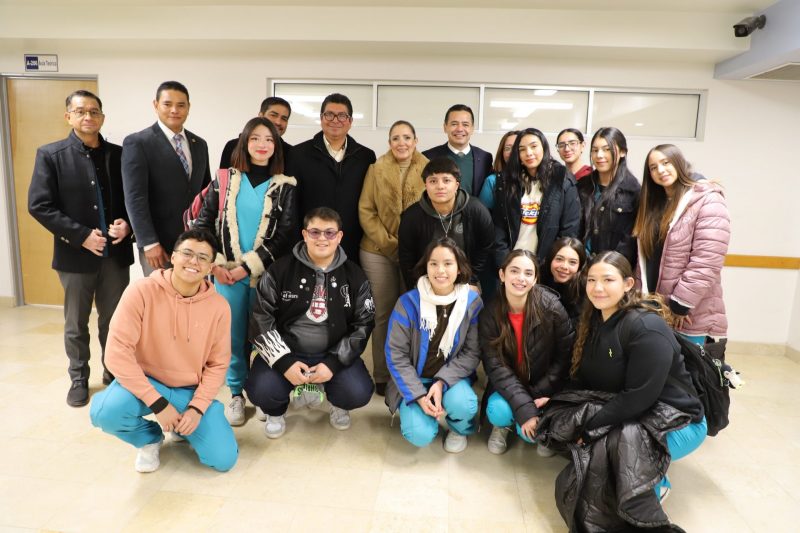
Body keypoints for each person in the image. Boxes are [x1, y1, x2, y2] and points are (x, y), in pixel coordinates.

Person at [89, 229, 238, 473]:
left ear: (211, 268)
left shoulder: (219, 307)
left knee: (224, 459)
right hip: (146, 383)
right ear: (173, 257)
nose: (193, 261)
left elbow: (218, 364)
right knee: (105, 413)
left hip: (189, 390)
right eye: (187, 253)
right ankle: (149, 439)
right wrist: (158, 405)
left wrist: (197, 408)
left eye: (202, 257)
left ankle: (183, 426)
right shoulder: (141, 291)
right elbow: (116, 354)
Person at [28, 89, 134, 407]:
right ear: (68, 116)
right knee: (76, 323)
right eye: (80, 111)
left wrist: (128, 225)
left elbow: (135, 197)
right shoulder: (51, 155)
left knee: (114, 321)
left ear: (102, 116)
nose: (88, 117)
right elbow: (39, 205)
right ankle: (78, 377)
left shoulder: (119, 154)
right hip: (74, 256)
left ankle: (113, 372)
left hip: (115, 255)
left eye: (94, 111)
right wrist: (81, 235)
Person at [571, 251, 706, 497]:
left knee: (615, 461)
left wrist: (590, 428)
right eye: (591, 280)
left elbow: (639, 396)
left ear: (628, 284)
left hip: (678, 422)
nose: (597, 288)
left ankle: (658, 486)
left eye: (608, 280)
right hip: (638, 412)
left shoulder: (646, 326)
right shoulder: (596, 319)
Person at [193, 117, 297, 426]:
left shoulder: (285, 186)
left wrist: (248, 267)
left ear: (276, 146)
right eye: (255, 138)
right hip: (225, 276)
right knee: (232, 338)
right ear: (244, 143)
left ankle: (264, 393)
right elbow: (204, 223)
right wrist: (215, 264)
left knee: (267, 336)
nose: (262, 144)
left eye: (269, 139)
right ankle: (236, 393)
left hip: (267, 277)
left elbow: (284, 236)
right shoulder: (224, 180)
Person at [247, 207, 375, 438]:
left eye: (329, 233)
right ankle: (275, 412)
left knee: (357, 391)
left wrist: (333, 363)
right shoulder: (279, 270)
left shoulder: (355, 275)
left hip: (332, 353)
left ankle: (337, 402)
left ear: (339, 236)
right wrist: (284, 362)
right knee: (261, 390)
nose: (322, 238)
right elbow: (260, 318)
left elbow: (364, 324)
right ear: (305, 235)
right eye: (315, 232)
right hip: (287, 350)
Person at [385, 237, 483, 452]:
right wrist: (419, 396)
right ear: (426, 267)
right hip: (416, 378)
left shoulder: (471, 303)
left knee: (463, 404)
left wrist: (441, 383)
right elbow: (396, 355)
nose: (440, 270)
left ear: (459, 268)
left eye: (448, 263)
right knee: (419, 435)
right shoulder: (408, 303)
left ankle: (458, 429)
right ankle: (426, 416)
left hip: (451, 378)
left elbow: (472, 352)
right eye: (433, 263)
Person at [480, 249, 574, 455]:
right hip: (509, 385)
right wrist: (524, 406)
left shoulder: (552, 308)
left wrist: (531, 400)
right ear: (502, 275)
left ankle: (531, 421)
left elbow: (564, 358)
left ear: (535, 279)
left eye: (528, 273)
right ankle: (502, 426)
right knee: (498, 410)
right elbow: (496, 367)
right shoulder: (490, 314)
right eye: (514, 271)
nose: (521, 278)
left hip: (545, 386)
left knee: (532, 437)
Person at [633, 144, 730, 343]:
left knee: (687, 362)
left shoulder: (707, 199)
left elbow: (707, 260)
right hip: (655, 309)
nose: (661, 170)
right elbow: (646, 260)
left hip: (687, 313)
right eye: (653, 167)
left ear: (679, 163)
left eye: (666, 162)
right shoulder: (654, 204)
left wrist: (680, 304)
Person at [358, 120, 428, 396]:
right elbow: (366, 211)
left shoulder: (428, 169)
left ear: (415, 141)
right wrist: (390, 245)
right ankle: (382, 374)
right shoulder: (375, 169)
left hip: (418, 253)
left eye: (407, 137)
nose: (402, 143)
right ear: (389, 143)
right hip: (377, 250)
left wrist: (409, 248)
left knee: (414, 313)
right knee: (383, 313)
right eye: (396, 138)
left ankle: (410, 372)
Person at [122, 80, 211, 276]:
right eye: (167, 104)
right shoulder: (138, 142)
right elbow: (135, 197)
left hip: (195, 242)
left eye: (181, 105)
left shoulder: (199, 144)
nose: (174, 110)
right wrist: (148, 242)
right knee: (161, 293)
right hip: (158, 245)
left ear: (188, 107)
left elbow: (206, 193)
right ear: (155, 105)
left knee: (192, 293)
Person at [288, 93, 376, 264]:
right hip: (311, 243)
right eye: (329, 114)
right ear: (321, 118)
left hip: (352, 243)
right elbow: (291, 205)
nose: (335, 120)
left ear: (350, 121)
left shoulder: (366, 156)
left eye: (342, 115)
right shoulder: (298, 154)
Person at [397, 157, 494, 291]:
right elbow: (406, 257)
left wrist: (472, 279)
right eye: (433, 181)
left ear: (457, 185)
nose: (440, 186)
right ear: (425, 185)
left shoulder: (476, 210)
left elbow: (486, 246)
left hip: (466, 281)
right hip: (427, 282)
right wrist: (416, 286)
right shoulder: (411, 216)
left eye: (446, 180)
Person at [492, 127, 581, 267]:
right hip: (512, 262)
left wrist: (551, 263)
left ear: (544, 148)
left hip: (546, 265)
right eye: (522, 149)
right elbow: (499, 227)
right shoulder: (507, 180)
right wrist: (505, 262)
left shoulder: (562, 178)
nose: (528, 153)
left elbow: (569, 229)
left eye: (534, 146)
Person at [577, 127, 640, 266]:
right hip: (581, 267)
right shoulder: (582, 186)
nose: (599, 155)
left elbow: (630, 240)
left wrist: (610, 267)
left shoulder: (633, 191)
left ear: (623, 152)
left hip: (613, 268)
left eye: (607, 149)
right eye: (595, 150)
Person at [422, 104, 493, 197]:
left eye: (465, 124)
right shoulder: (428, 157)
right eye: (454, 124)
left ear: (472, 128)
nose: (459, 129)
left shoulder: (485, 158)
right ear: (445, 127)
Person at [219, 97, 293, 169]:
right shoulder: (233, 146)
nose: (278, 122)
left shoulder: (290, 152)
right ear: (261, 116)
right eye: (273, 115)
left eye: (284, 118)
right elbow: (223, 176)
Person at [539, 237, 587, 324]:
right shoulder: (538, 277)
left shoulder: (584, 288)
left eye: (572, 262)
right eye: (559, 259)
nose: (564, 266)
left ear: (580, 266)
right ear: (550, 259)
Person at [478, 130, 519, 211]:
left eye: (517, 147)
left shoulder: (538, 179)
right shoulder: (492, 181)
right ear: (502, 153)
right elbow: (483, 215)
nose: (512, 152)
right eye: (507, 148)